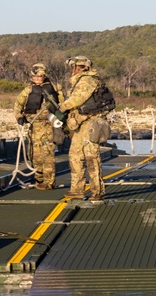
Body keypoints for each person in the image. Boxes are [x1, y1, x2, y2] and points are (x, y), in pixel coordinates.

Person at [57, 56, 115, 200]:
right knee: (75, 155)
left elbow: (77, 100)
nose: (72, 69)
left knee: (91, 157)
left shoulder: (87, 80)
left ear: (80, 67)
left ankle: (97, 191)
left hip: (90, 122)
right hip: (81, 124)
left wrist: (62, 108)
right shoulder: (79, 80)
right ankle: (77, 189)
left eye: (74, 66)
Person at [14, 63, 65, 190]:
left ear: (44, 76)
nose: (37, 80)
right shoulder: (28, 91)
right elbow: (18, 105)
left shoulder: (54, 88)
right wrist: (19, 117)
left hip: (49, 124)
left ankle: (49, 182)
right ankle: (39, 179)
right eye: (35, 77)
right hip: (33, 126)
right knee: (34, 155)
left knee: (48, 154)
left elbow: (63, 104)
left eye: (40, 77)